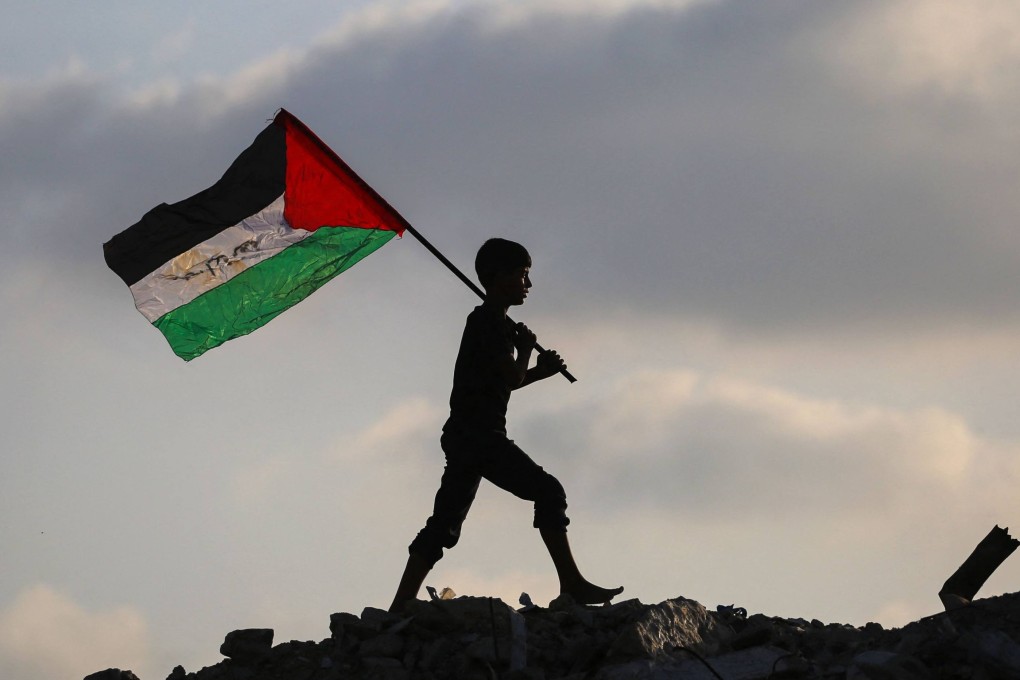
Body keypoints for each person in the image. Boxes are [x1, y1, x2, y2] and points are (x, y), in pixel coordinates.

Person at [389, 238, 623, 612]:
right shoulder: (490, 324)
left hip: (467, 435)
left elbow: (501, 380)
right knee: (548, 492)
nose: (527, 285)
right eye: (522, 275)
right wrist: (528, 348)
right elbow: (512, 378)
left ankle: (400, 604)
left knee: (444, 524)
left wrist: (540, 372)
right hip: (481, 436)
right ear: (499, 278)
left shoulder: (489, 323)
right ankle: (572, 583)